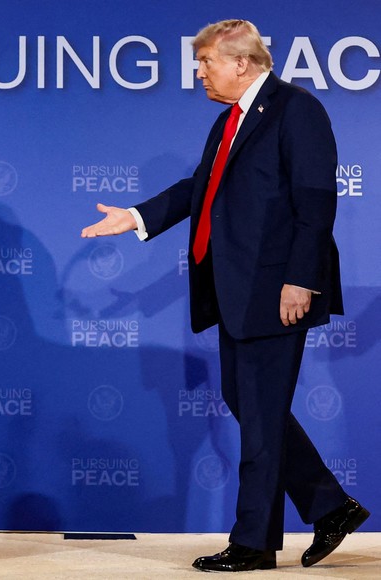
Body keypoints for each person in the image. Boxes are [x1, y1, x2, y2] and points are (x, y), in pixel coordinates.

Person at [80, 19, 368, 572]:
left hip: (277, 287)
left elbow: (316, 200)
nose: (199, 72)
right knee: (252, 407)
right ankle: (330, 506)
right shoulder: (228, 120)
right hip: (236, 289)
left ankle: (254, 543)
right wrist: (137, 216)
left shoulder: (296, 110)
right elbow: (202, 189)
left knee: (260, 417)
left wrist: (300, 280)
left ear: (242, 63)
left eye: (205, 62)